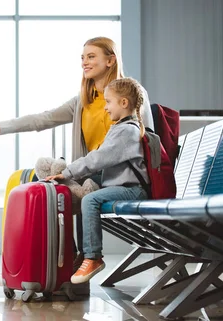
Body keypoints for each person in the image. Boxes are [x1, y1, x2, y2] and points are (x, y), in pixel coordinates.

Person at [0, 36, 154, 285]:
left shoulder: (130, 98)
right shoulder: (82, 101)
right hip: (90, 175)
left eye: (91, 57)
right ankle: (29, 266)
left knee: (63, 192)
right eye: (82, 58)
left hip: (117, 179)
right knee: (43, 184)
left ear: (110, 60)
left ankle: (71, 260)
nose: (84, 63)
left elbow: (148, 141)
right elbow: (42, 119)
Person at [44, 77, 149, 283]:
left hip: (132, 189)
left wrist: (68, 173)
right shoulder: (122, 127)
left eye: (109, 102)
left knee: (89, 200)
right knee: (82, 192)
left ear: (124, 103)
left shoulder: (127, 131)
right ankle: (78, 254)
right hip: (123, 186)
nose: (106, 108)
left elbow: (98, 159)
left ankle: (92, 256)